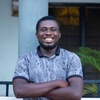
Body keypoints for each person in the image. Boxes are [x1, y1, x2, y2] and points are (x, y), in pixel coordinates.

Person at [12, 16, 83, 100]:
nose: (48, 33)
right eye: (43, 29)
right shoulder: (25, 59)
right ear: (37, 35)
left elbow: (75, 94)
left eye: (53, 29)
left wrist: (34, 91)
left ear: (59, 34)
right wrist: (56, 83)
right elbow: (20, 91)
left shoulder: (72, 58)